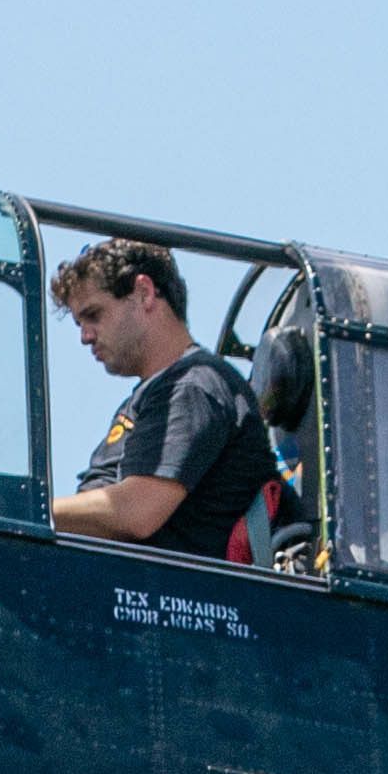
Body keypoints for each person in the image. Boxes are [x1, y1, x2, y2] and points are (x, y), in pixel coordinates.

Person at [56, 238, 272, 555]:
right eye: (80, 323)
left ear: (144, 293)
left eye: (94, 315)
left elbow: (137, 513)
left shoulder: (194, 386)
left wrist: (26, 511)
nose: (85, 336)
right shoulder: (147, 399)